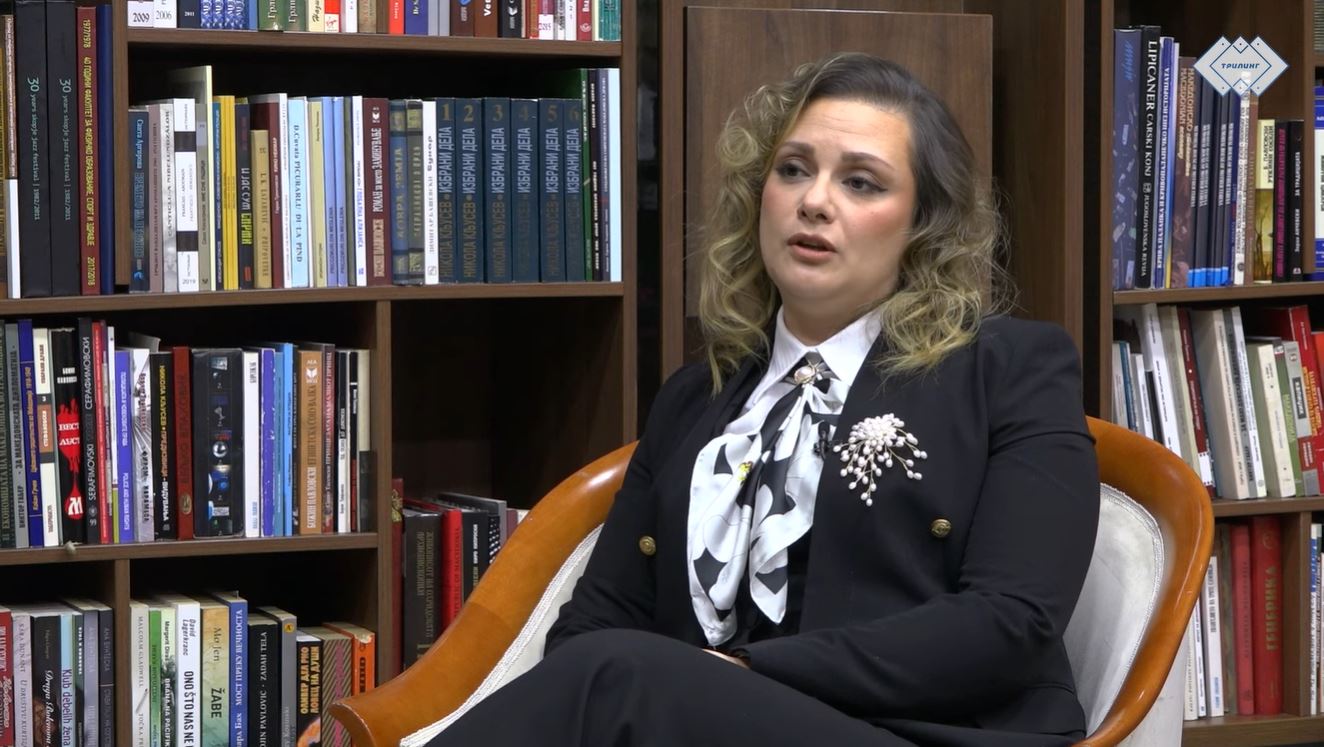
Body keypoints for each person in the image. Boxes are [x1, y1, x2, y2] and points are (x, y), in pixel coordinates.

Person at [427, 51, 1099, 747]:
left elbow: (1012, 620)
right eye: (793, 169)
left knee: (615, 675)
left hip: (922, 733)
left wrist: (743, 672)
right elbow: (593, 622)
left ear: (923, 223)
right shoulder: (695, 398)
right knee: (604, 666)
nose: (815, 201)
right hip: (699, 726)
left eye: (861, 182)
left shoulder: (1011, 368)